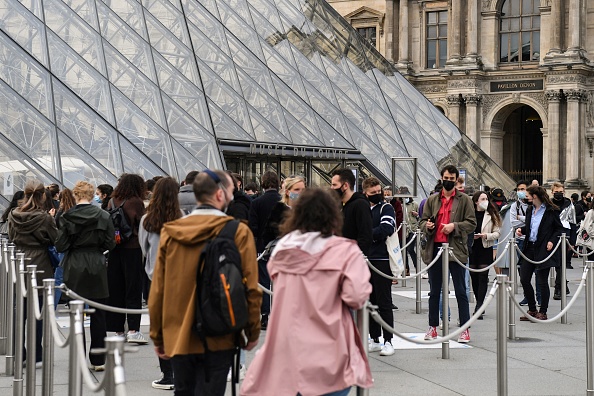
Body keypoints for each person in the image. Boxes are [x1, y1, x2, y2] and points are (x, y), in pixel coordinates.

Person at [241, 188, 373, 396]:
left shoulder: (283, 249)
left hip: (288, 350)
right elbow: (356, 297)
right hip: (331, 350)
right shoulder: (345, 251)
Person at [149, 169, 261, 395]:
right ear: (219, 195)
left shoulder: (171, 232)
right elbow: (250, 287)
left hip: (179, 332)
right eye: (231, 191)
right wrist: (252, 331)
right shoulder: (238, 232)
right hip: (221, 332)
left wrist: (158, 334)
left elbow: (158, 289)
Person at [55, 181, 115, 371]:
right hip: (96, 263)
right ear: (91, 195)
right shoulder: (103, 215)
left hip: (74, 264)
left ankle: (79, 357)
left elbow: (60, 245)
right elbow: (110, 243)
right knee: (98, 313)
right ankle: (98, 360)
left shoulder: (67, 217)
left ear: (75, 195)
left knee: (76, 313)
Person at [419, 165, 476, 343]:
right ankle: (432, 327)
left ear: (456, 180)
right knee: (434, 291)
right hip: (435, 249)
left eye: (452, 179)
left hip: (455, 249)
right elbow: (422, 221)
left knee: (460, 291)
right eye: (446, 178)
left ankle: (464, 328)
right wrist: (427, 226)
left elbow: (471, 223)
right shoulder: (433, 200)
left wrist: (455, 227)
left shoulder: (465, 200)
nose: (448, 181)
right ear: (441, 178)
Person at [8, 180, 59, 367]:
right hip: (40, 264)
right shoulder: (45, 218)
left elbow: (12, 237)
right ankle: (36, 354)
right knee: (38, 312)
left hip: (19, 262)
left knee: (18, 311)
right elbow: (56, 240)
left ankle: (19, 353)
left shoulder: (14, 215)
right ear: (42, 196)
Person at [139, 177, 182, 390]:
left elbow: (143, 249)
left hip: (156, 278)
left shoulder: (147, 220)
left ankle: (167, 374)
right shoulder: (184, 218)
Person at [106, 173, 147, 344]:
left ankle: (118, 330)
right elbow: (143, 224)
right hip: (133, 248)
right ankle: (133, 329)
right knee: (133, 288)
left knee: (116, 288)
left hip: (115, 248)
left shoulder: (112, 201)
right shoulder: (136, 202)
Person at [516, 186, 564, 321]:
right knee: (524, 278)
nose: (526, 197)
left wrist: (552, 241)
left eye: (528, 195)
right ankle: (532, 308)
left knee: (542, 281)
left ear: (535, 196)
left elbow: (558, 228)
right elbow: (531, 227)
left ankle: (543, 311)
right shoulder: (531, 209)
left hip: (543, 248)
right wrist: (522, 230)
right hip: (529, 247)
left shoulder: (551, 210)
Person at [363, 177, 396, 357]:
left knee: (384, 302)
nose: (377, 195)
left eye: (379, 192)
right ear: (365, 193)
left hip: (381, 260)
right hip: (365, 259)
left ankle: (388, 340)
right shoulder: (364, 209)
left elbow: (386, 229)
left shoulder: (386, 208)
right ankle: (374, 338)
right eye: (373, 193)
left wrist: (365, 235)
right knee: (369, 301)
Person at [248, 171, 281, 329]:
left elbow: (252, 227)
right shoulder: (283, 201)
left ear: (263, 183)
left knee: (264, 282)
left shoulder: (257, 203)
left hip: (263, 247)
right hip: (282, 246)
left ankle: (266, 315)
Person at [470, 191, 501, 318]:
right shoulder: (470, 214)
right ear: (476, 201)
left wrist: (485, 236)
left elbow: (497, 233)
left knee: (483, 276)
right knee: (474, 276)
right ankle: (479, 301)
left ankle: (480, 305)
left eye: (486, 198)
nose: (485, 201)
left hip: (485, 247)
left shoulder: (492, 214)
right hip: (472, 247)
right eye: (482, 199)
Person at [331, 169, 373, 256]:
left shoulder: (360, 204)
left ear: (345, 185)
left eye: (334, 185)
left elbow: (365, 236)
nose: (332, 188)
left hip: (352, 259)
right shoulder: (341, 205)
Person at [551, 182, 576, 299]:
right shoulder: (549, 203)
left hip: (565, 236)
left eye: (561, 192)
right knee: (557, 263)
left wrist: (573, 241)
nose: (559, 194)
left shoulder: (569, 204)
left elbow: (573, 222)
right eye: (556, 192)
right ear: (552, 192)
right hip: (552, 236)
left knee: (560, 263)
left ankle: (558, 288)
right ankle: (563, 285)